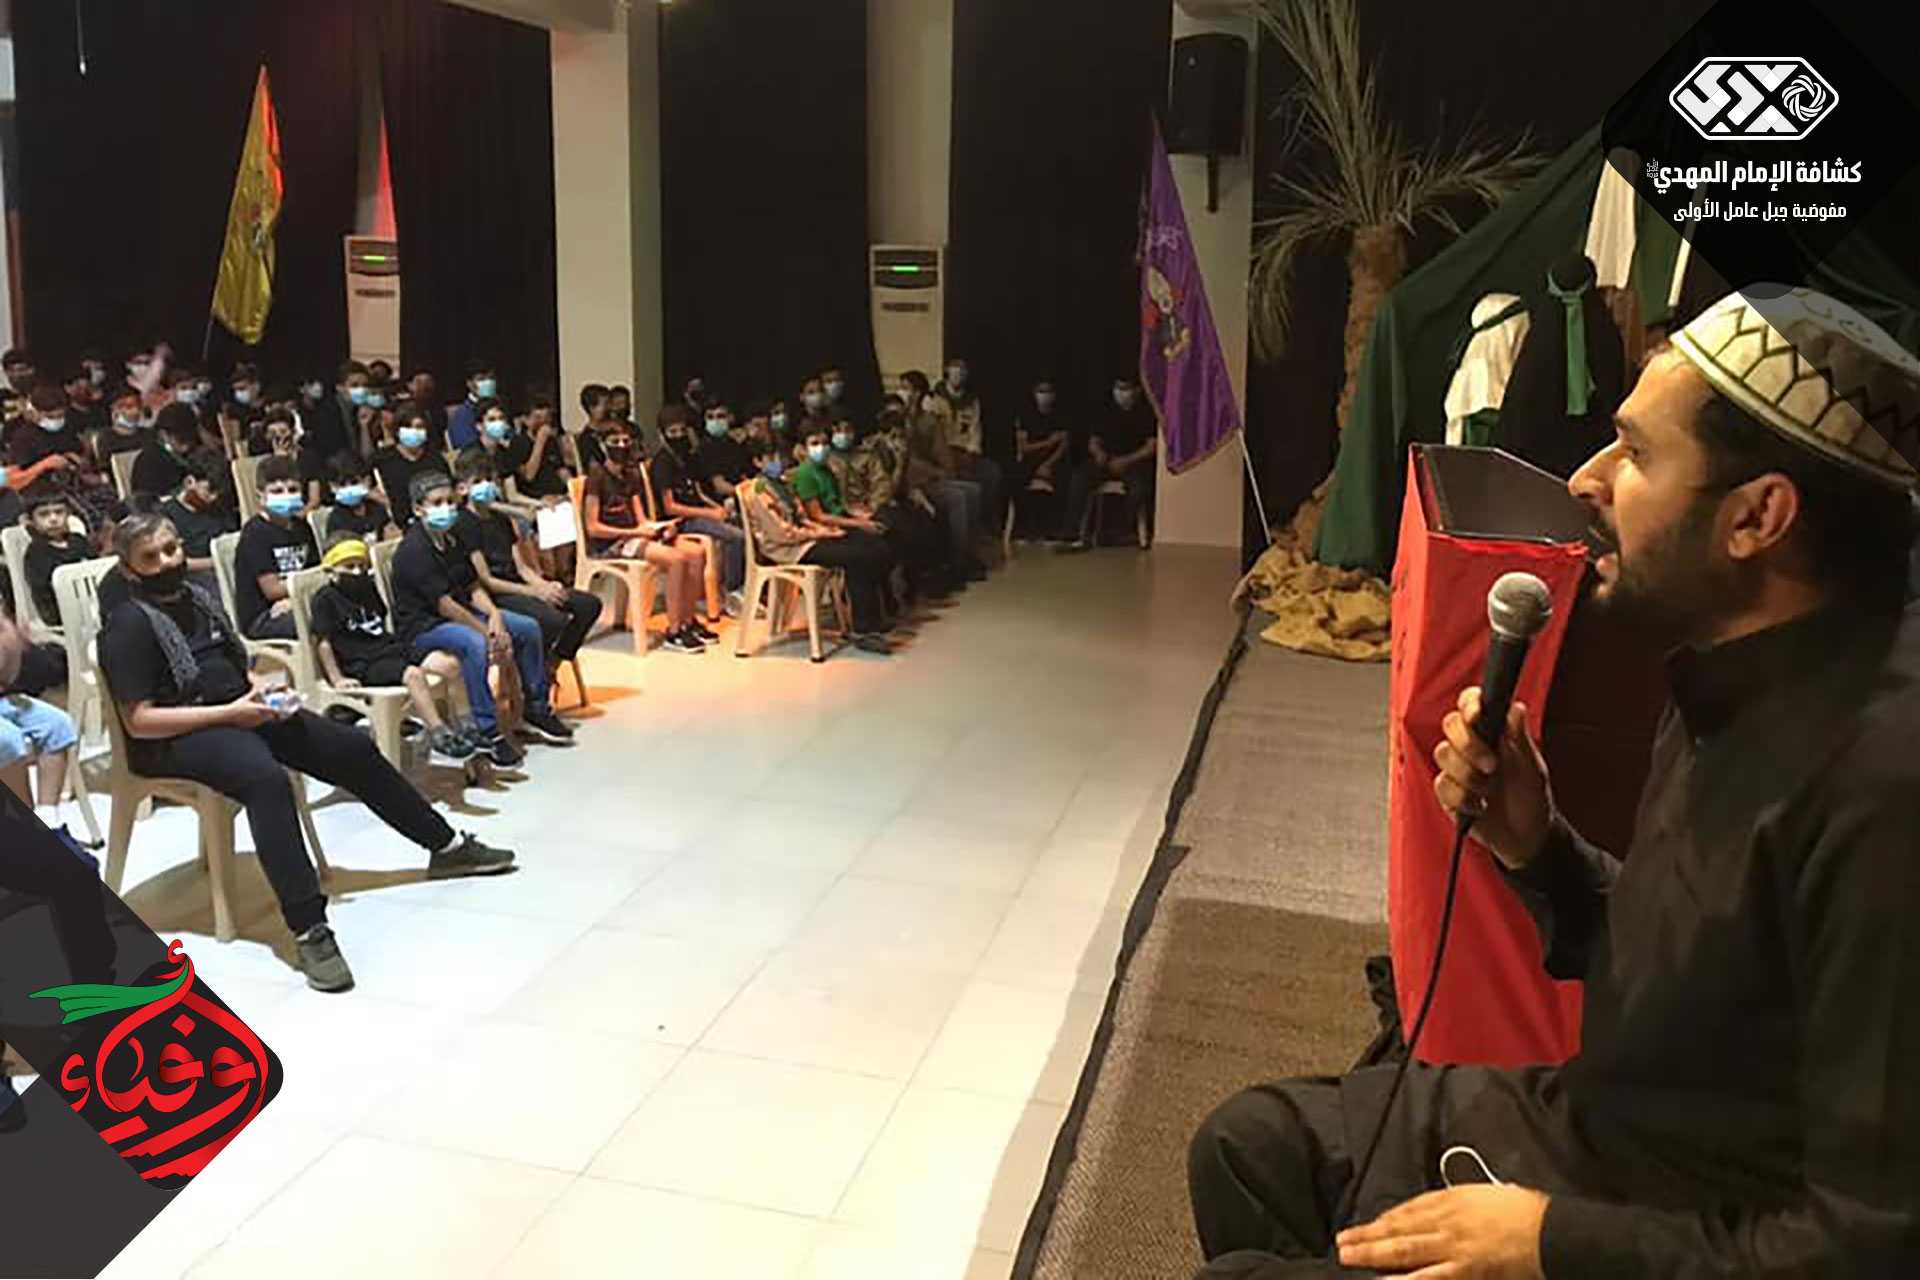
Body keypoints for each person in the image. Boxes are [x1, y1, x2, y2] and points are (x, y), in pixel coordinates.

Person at [1185, 286, 1920, 1279]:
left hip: (1688, 1224)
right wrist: (1540, 849)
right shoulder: (1730, 656)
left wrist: (1546, 1241)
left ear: (1757, 515)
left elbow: (1869, 1247)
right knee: (1250, 1146)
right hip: (1611, 1134)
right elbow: (1700, 976)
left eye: (1637, 454)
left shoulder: (1884, 789)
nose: (1587, 479)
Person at [98, 513, 515, 992]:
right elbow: (140, 721)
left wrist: (262, 689)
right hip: (178, 737)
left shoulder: (199, 600)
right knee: (265, 781)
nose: (168, 562)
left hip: (239, 710)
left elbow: (235, 665)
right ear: (130, 569)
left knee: (351, 747)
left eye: (171, 549)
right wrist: (231, 712)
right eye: (151, 558)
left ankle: (446, 847)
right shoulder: (127, 626)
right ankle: (308, 927)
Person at [390, 471, 573, 764]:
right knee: (474, 643)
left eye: (450, 501)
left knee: (527, 628)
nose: (446, 508)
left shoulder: (453, 539)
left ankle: (536, 706)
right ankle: (488, 730)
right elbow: (445, 606)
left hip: (461, 612)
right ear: (418, 509)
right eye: (437, 503)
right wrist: (487, 631)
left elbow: (473, 586)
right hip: (424, 628)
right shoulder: (414, 551)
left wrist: (494, 615)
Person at [309, 534, 475, 763]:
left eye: (361, 566)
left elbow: (381, 620)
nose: (357, 572)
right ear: (332, 570)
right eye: (349, 567)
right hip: (364, 663)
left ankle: (468, 726)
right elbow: (323, 642)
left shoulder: (367, 588)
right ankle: (439, 734)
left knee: (450, 664)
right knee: (413, 675)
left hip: (390, 647)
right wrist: (337, 678)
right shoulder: (325, 600)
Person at [740, 438, 893, 654]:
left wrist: (824, 530)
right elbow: (782, 533)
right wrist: (820, 533)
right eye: (770, 458)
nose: (778, 461)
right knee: (858, 556)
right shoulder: (758, 491)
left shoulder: (783, 483)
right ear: (757, 462)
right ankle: (863, 629)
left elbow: (802, 518)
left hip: (805, 539)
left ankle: (871, 617)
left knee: (867, 544)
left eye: (779, 456)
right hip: (789, 549)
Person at [452, 451, 601, 669]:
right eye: (478, 481)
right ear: (463, 488)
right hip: (498, 594)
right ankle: (534, 674)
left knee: (589, 605)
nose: (486, 485)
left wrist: (544, 586)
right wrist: (535, 592)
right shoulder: (463, 524)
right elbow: (487, 580)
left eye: (490, 479)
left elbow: (521, 568)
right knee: (552, 619)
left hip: (519, 584)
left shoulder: (501, 519)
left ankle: (553, 663)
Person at [582, 420, 710, 653]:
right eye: (615, 442)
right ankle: (674, 631)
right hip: (612, 542)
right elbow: (593, 528)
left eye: (625, 441)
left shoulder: (631, 475)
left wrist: (659, 527)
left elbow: (640, 518)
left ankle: (688, 620)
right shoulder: (596, 476)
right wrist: (635, 533)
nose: (621, 446)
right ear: (603, 445)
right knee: (677, 559)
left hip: (636, 535)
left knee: (696, 552)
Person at [826, 416, 952, 597]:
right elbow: (832, 494)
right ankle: (896, 590)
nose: (844, 435)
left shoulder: (866, 456)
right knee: (896, 529)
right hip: (846, 511)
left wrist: (872, 507)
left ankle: (921, 582)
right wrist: (853, 511)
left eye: (847, 430)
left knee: (919, 520)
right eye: (838, 430)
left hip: (871, 506)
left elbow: (881, 485)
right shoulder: (827, 460)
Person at [790, 424, 901, 614]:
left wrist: (861, 515)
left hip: (840, 520)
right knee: (864, 553)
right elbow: (818, 516)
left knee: (886, 536)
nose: (821, 448)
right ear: (803, 448)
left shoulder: (826, 470)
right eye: (815, 443)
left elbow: (839, 504)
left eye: (824, 443)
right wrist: (859, 524)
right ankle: (864, 621)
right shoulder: (805, 474)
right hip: (824, 530)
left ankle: (884, 604)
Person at [650, 406, 745, 606]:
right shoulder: (662, 463)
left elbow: (698, 492)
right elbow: (670, 507)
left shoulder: (687, 457)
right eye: (673, 432)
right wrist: (709, 514)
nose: (679, 436)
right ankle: (732, 591)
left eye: (682, 431)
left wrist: (716, 509)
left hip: (697, 513)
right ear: (662, 434)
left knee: (738, 522)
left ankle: (725, 585)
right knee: (736, 537)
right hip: (680, 521)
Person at [900, 371, 988, 579]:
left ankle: (967, 554)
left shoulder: (928, 420)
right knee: (958, 497)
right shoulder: (898, 420)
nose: (904, 393)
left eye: (907, 388)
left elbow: (942, 452)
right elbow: (907, 459)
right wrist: (935, 473)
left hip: (930, 476)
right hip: (912, 480)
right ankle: (956, 562)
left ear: (918, 393)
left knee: (973, 491)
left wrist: (946, 471)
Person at [8, 384, 119, 535]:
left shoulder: (67, 429)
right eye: (51, 417)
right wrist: (45, 464)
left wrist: (81, 461)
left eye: (60, 416)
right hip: (44, 492)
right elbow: (15, 480)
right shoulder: (22, 439)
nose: (56, 421)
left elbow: (81, 460)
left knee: (110, 497)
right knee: (87, 513)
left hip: (75, 482)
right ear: (36, 413)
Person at [1062, 377, 1157, 551]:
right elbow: (1093, 441)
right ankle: (1073, 532)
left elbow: (1151, 447)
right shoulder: (1105, 411)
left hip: (1133, 462)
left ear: (1137, 391)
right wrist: (1098, 453)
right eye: (1118, 388)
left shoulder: (1145, 413)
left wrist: (1125, 461)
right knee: (1079, 478)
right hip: (1106, 461)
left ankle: (1122, 531)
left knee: (1139, 489)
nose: (1122, 393)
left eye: (1126, 388)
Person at [233, 456, 319, 641]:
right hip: (264, 616)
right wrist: (301, 593)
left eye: (293, 489)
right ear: (261, 497)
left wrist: (299, 597)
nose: (286, 495)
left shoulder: (302, 527)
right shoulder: (255, 533)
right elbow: (272, 590)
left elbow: (315, 573)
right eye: (277, 491)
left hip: (298, 601)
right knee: (321, 619)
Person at [929, 356, 1004, 535]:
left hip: (965, 451)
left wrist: (972, 451)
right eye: (954, 370)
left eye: (962, 371)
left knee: (992, 472)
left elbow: (975, 429)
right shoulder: (934, 399)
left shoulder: (972, 401)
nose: (958, 375)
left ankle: (986, 524)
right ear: (947, 372)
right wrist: (946, 454)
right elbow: (932, 434)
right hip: (942, 453)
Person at [154, 450, 236, 597]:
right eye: (209, 490)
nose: (214, 497)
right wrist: (216, 562)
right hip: (197, 578)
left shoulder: (219, 508)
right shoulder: (165, 515)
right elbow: (178, 561)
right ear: (189, 482)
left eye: (218, 492)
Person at [1011, 377, 1071, 537]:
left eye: (1048, 391)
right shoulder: (1025, 415)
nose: (1045, 395)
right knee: (1015, 479)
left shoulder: (1061, 416)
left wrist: (1048, 465)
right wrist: (1049, 442)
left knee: (1066, 480)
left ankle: (1058, 528)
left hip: (1054, 461)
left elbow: (1064, 445)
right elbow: (1024, 447)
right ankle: (1022, 527)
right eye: (1041, 391)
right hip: (1031, 459)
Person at [21, 490, 92, 625]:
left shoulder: (79, 541)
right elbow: (43, 596)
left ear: (68, 514)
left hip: (91, 608)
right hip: (62, 618)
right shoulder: (35, 554)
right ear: (31, 521)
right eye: (44, 514)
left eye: (59, 512)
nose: (53, 519)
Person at [372, 409, 443, 527]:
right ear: (398, 430)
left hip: (437, 514)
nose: (414, 431)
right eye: (408, 427)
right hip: (405, 522)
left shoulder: (435, 457)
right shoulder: (384, 460)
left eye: (419, 427)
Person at [502, 396, 571, 502]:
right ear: (526, 420)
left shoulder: (551, 441)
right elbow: (529, 475)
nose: (543, 422)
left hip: (558, 494)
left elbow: (560, 469)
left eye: (547, 417)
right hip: (536, 497)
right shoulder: (518, 443)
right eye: (538, 417)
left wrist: (571, 485)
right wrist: (540, 442)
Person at [130, 403, 198, 506]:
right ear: (164, 435)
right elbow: (145, 503)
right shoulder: (148, 462)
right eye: (181, 439)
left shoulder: (198, 453)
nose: (187, 445)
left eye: (190, 438)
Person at [325, 451, 395, 540]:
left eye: (354, 483)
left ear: (367, 480)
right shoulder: (336, 520)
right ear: (332, 487)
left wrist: (384, 501)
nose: (349, 489)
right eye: (342, 485)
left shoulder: (378, 507)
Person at [697, 401, 754, 503]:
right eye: (710, 417)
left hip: (739, 495)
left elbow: (744, 474)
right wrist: (746, 495)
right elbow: (720, 486)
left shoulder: (732, 444)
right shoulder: (705, 449)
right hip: (718, 502)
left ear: (730, 418)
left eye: (720, 416)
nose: (715, 421)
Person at [447, 359, 499, 450]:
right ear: (469, 384)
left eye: (491, 378)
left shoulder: (500, 407)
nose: (487, 383)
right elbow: (466, 446)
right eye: (481, 379)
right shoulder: (462, 414)